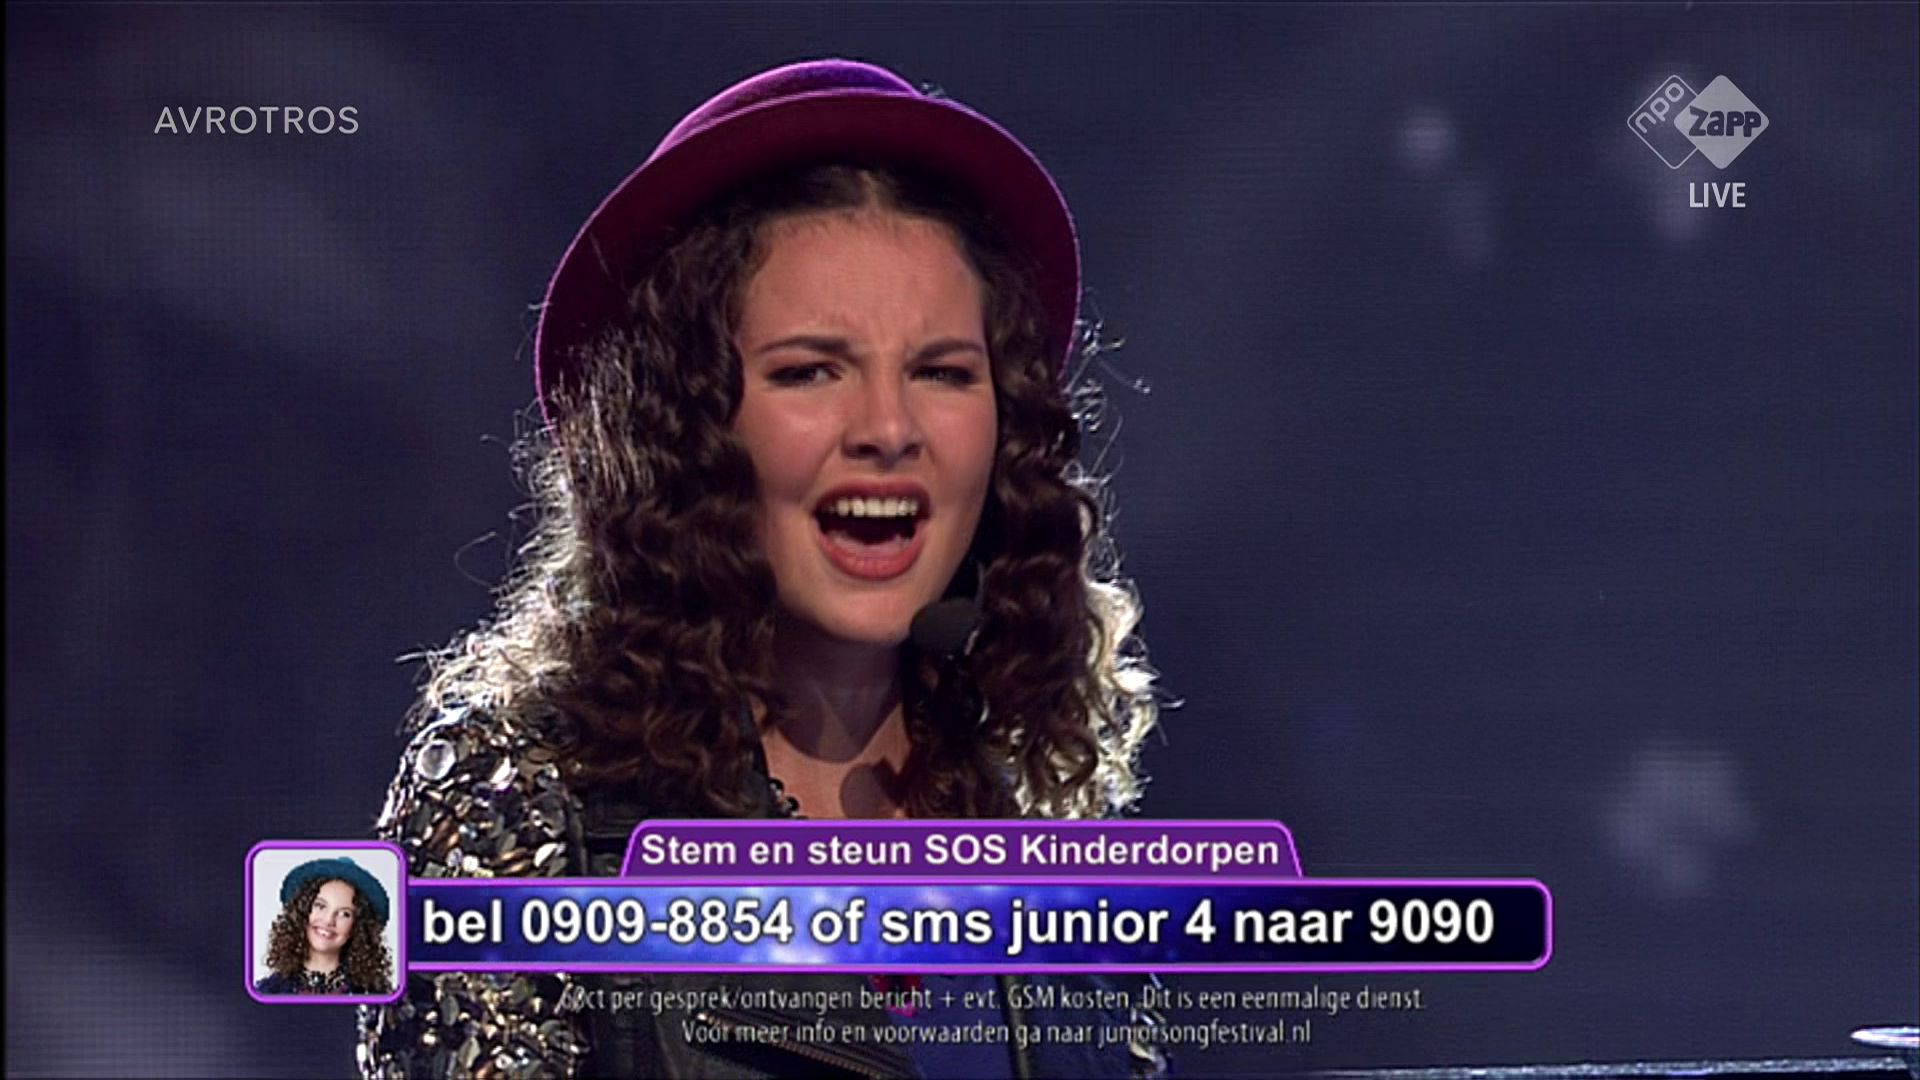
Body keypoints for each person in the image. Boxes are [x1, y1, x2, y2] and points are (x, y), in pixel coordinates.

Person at [357, 58, 1168, 1078]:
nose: (888, 429)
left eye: (942, 372)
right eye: (810, 371)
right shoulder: (527, 793)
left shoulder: (1042, 826)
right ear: (684, 430)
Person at [257, 856, 394, 996]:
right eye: (320, 906)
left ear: (358, 927)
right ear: (302, 911)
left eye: (344, 914)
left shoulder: (375, 995)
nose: (329, 920)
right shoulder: (269, 992)